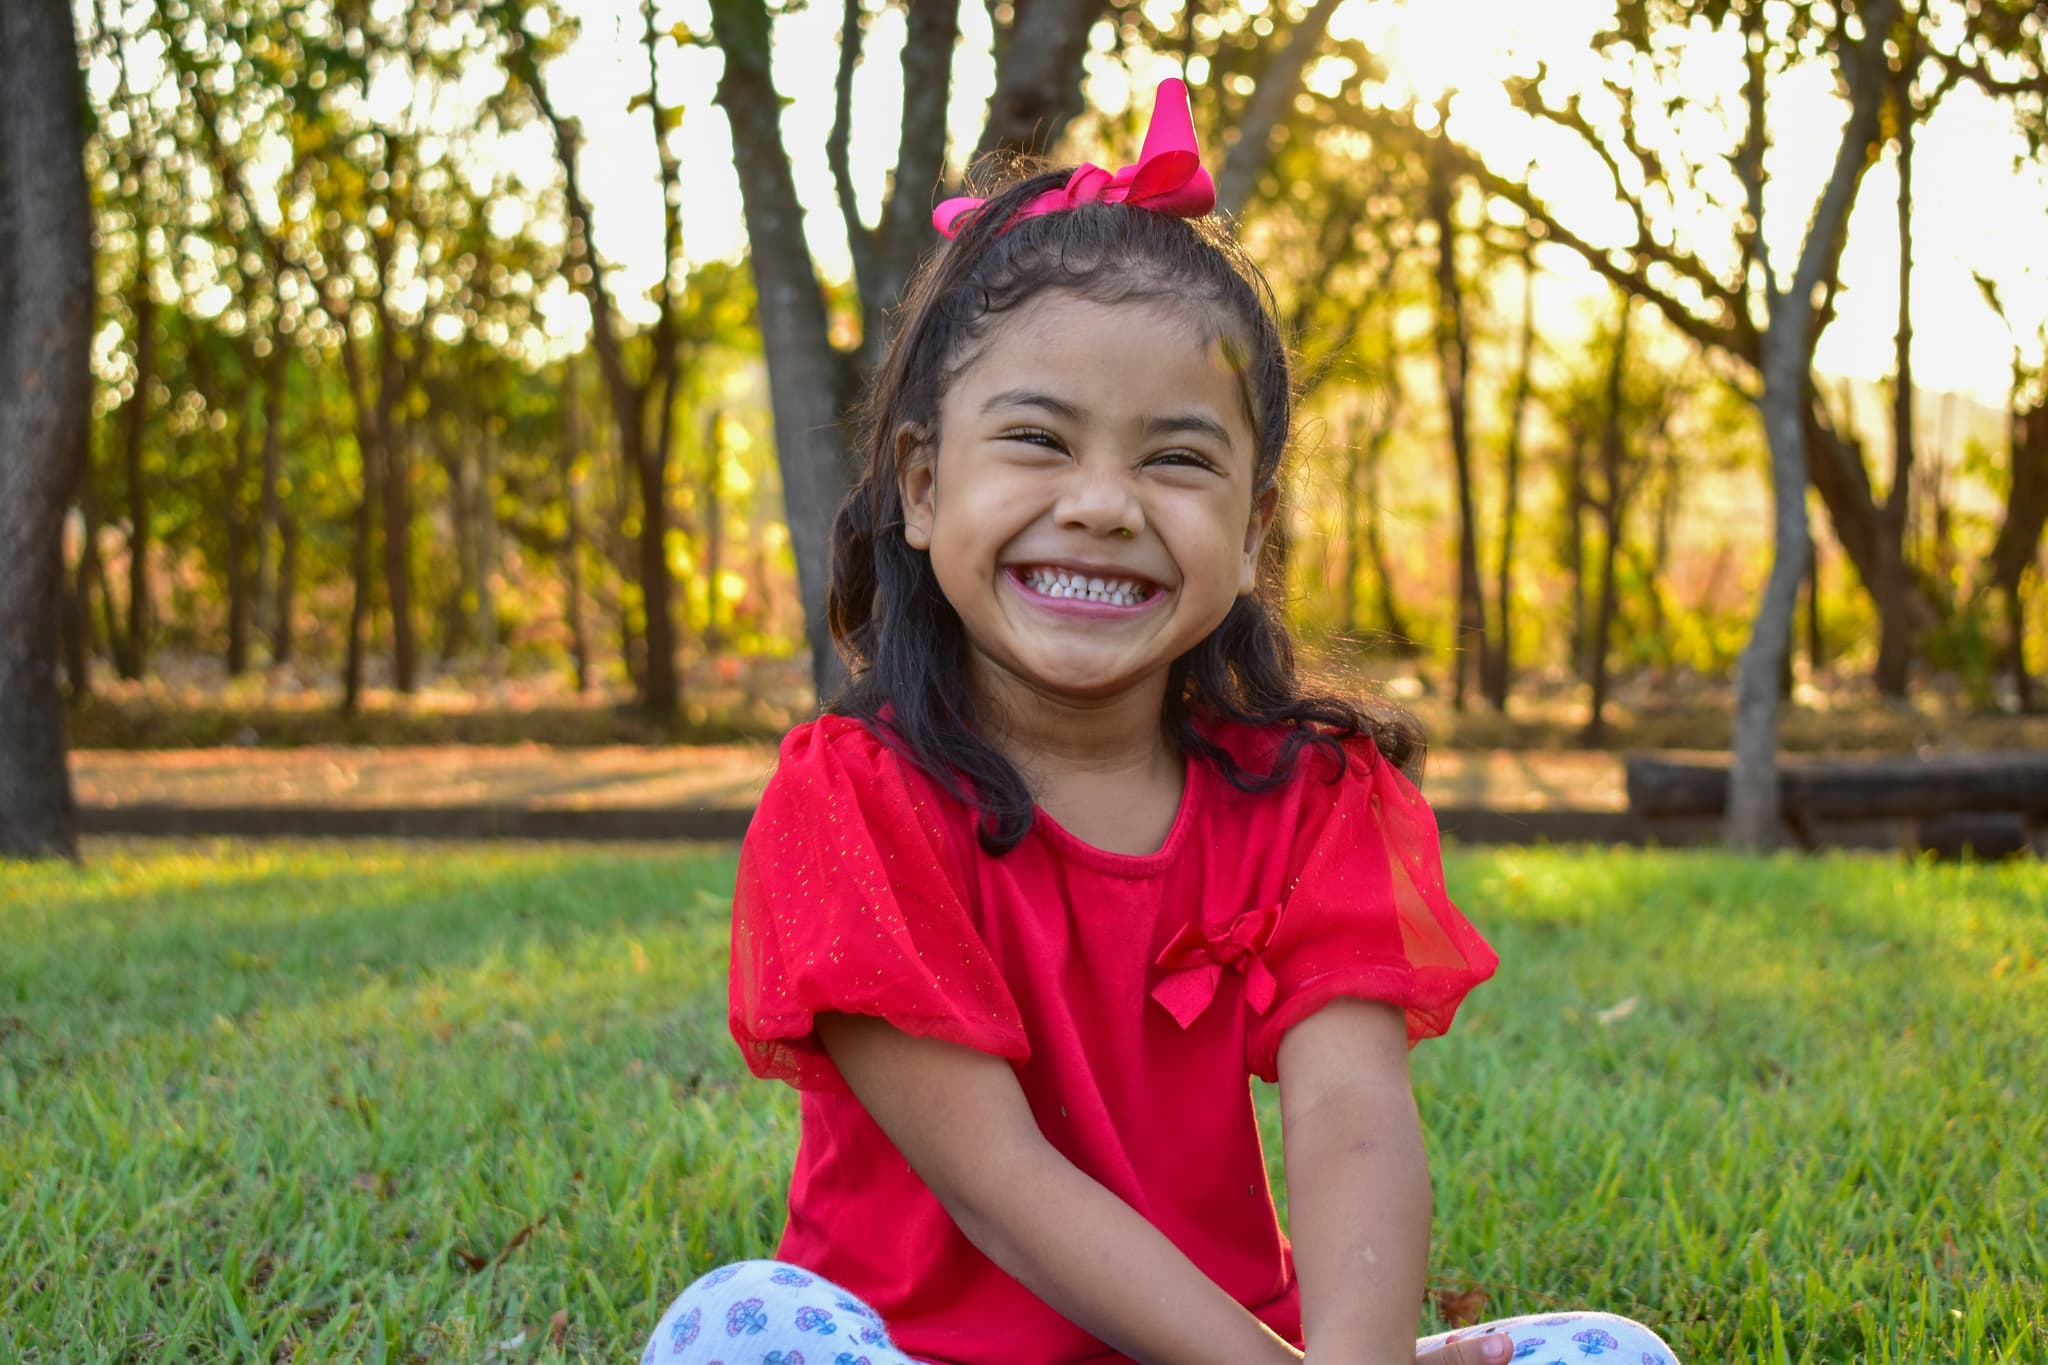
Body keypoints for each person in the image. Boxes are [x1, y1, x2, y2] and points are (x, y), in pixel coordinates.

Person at [643, 78, 1679, 1365]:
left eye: (1177, 459)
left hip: (1240, 1350)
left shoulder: (1309, 797)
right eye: (1036, 438)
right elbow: (995, 1179)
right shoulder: (850, 801)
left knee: (1611, 1354)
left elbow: (1352, 1111)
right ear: (921, 485)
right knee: (734, 1328)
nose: (1102, 504)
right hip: (932, 1352)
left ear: (1248, 535)